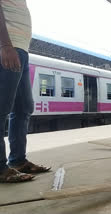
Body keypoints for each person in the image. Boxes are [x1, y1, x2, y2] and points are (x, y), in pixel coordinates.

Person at [0, 0, 50, 183]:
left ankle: (18, 160)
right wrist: (5, 46)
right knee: (2, 109)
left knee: (23, 108)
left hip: (20, 48)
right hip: (8, 46)